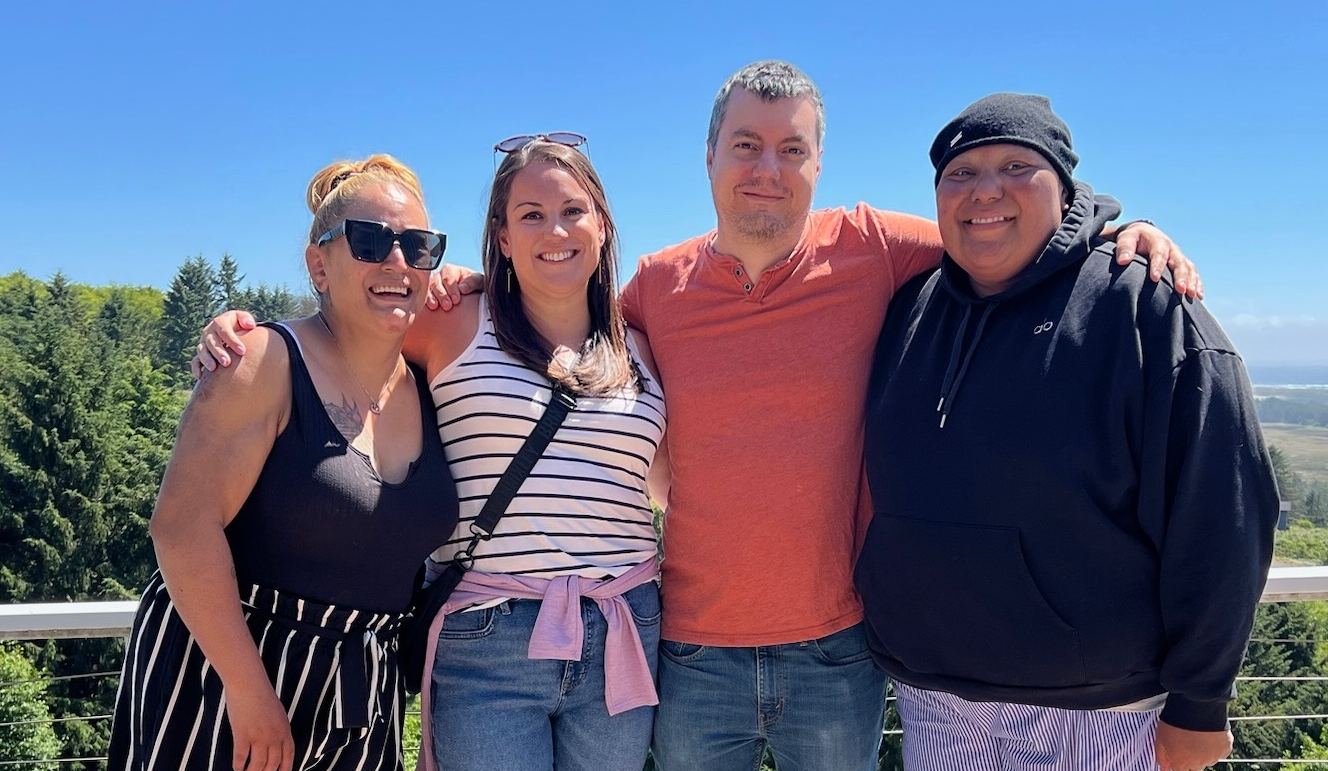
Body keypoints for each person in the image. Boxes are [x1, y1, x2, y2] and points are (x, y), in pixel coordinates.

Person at [197, 62, 1199, 771]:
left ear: (819, 161)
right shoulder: (645, 294)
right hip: (674, 646)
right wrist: (252, 331)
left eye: (791, 148)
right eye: (746, 145)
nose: (768, 167)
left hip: (827, 645)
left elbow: (998, 225)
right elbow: (365, 329)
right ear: (709, 155)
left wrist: (1114, 229)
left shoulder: (873, 248)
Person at [197, 137, 668, 771]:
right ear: (502, 237)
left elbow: (668, 485)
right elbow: (343, 322)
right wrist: (238, 333)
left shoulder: (643, 345)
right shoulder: (453, 321)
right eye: (530, 214)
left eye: (573, 211)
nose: (555, 230)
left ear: (603, 226)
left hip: (624, 625)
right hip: (489, 631)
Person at [856, 93, 1278, 771]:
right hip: (934, 701)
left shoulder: (1142, 307)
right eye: (960, 173)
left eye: (1015, 166)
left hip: (1100, 713)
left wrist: (1200, 702)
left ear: (1064, 186)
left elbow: (1222, 517)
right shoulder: (908, 308)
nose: (984, 190)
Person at [109, 155, 461, 771]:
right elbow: (182, 528)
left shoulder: (430, 380)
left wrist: (474, 281)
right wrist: (248, 692)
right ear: (318, 265)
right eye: (370, 240)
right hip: (226, 677)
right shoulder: (262, 362)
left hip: (364, 694)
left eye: (418, 246)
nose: (397, 261)